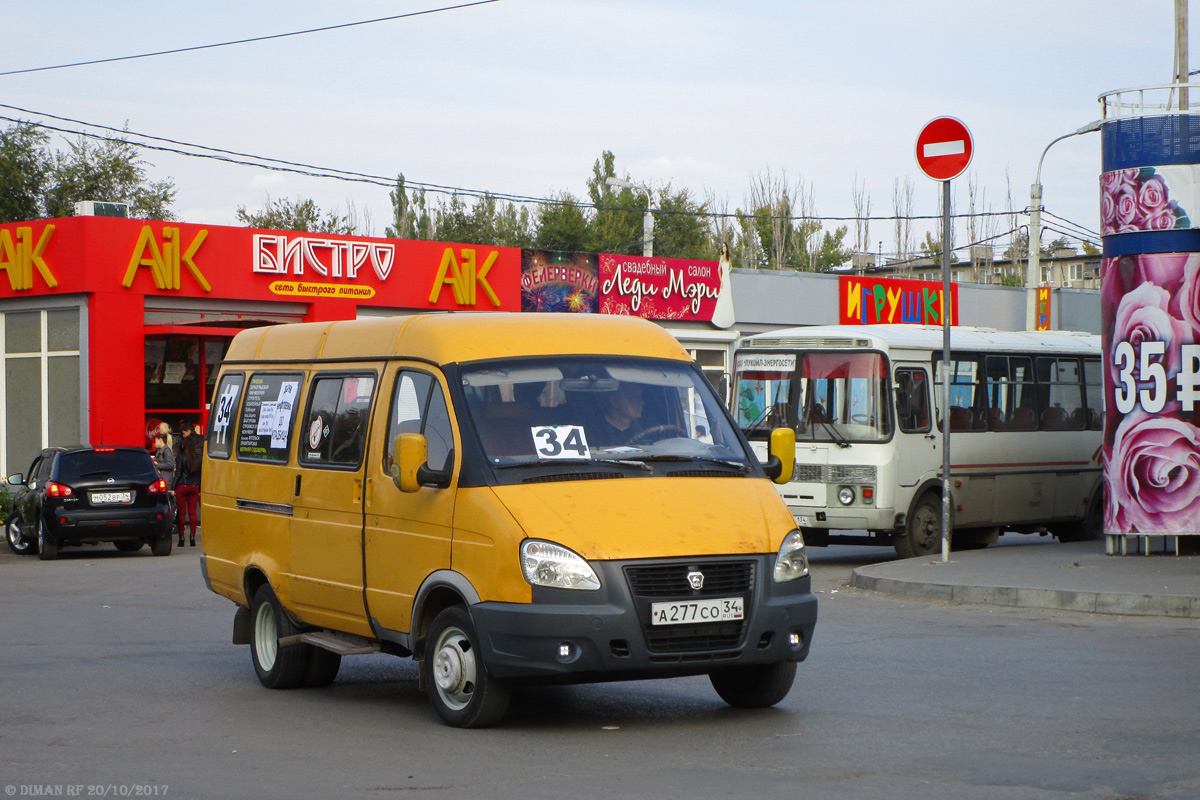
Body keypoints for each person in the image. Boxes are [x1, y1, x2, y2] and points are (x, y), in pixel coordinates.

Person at [173, 430, 203, 547]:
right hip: (194, 486)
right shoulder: (198, 458)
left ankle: (181, 537)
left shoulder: (181, 457)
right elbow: (200, 475)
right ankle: (192, 537)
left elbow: (178, 473)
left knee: (182, 513)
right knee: (193, 513)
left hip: (182, 485)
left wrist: (173, 487)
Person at [591, 382, 645, 446]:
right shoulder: (593, 430)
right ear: (614, 401)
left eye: (640, 396)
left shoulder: (644, 431)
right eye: (634, 397)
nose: (642, 402)